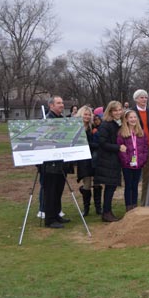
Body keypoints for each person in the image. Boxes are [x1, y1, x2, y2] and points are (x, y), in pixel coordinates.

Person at [40, 96, 71, 228]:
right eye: (59, 103)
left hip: (61, 162)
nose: (62, 105)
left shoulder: (62, 119)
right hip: (49, 163)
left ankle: (57, 214)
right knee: (50, 191)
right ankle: (50, 219)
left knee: (58, 190)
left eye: (62, 103)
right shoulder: (47, 120)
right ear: (51, 105)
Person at [95, 101, 124, 222]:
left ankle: (107, 211)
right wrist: (118, 148)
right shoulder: (106, 125)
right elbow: (102, 143)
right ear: (110, 111)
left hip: (114, 160)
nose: (118, 112)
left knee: (111, 187)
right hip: (107, 160)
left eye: (119, 110)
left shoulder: (119, 124)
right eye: (115, 110)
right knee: (109, 187)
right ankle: (106, 212)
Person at [117, 109, 149, 212]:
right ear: (126, 119)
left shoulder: (141, 132)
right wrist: (126, 161)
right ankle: (128, 206)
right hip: (127, 165)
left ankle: (134, 206)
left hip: (138, 164)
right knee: (128, 185)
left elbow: (145, 148)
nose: (133, 119)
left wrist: (142, 160)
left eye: (135, 117)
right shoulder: (122, 133)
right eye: (131, 117)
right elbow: (121, 149)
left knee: (135, 185)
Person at [75, 106, 98, 216]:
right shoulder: (77, 128)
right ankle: (86, 208)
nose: (87, 116)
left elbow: (96, 143)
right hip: (84, 160)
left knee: (97, 182)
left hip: (94, 158)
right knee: (87, 183)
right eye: (85, 114)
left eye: (89, 114)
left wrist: (89, 145)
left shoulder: (93, 127)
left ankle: (99, 208)